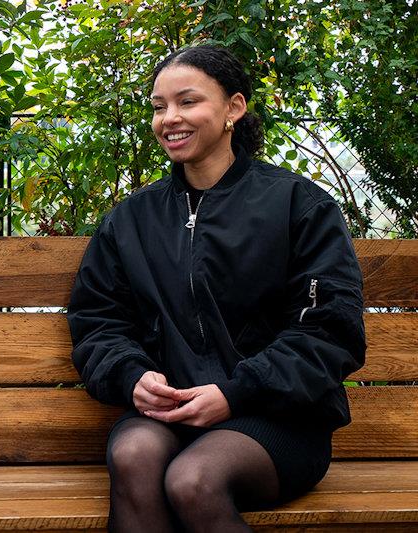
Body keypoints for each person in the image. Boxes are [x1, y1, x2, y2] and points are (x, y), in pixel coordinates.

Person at [67, 45, 366, 532]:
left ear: (234, 108)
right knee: (134, 455)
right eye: (159, 106)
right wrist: (132, 375)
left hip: (276, 416)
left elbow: (330, 331)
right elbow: (98, 321)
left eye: (187, 102)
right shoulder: (130, 221)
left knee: (193, 479)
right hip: (169, 412)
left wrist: (237, 391)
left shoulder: (298, 205)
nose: (170, 118)